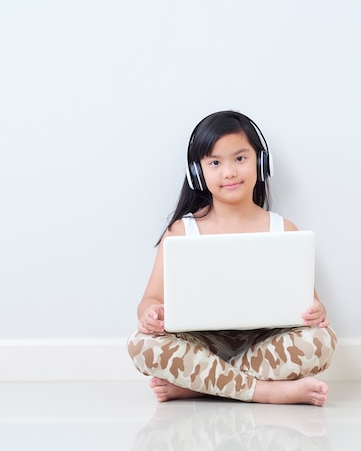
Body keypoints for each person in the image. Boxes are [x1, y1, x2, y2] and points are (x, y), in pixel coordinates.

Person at [127, 110, 337, 406]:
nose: (229, 172)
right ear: (198, 173)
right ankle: (263, 391)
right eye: (215, 162)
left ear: (261, 163)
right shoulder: (182, 231)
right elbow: (148, 301)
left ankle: (200, 386)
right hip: (200, 344)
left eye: (240, 159)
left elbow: (310, 306)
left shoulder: (283, 229)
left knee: (322, 341)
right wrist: (150, 315)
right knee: (142, 345)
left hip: (263, 342)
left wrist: (317, 311)